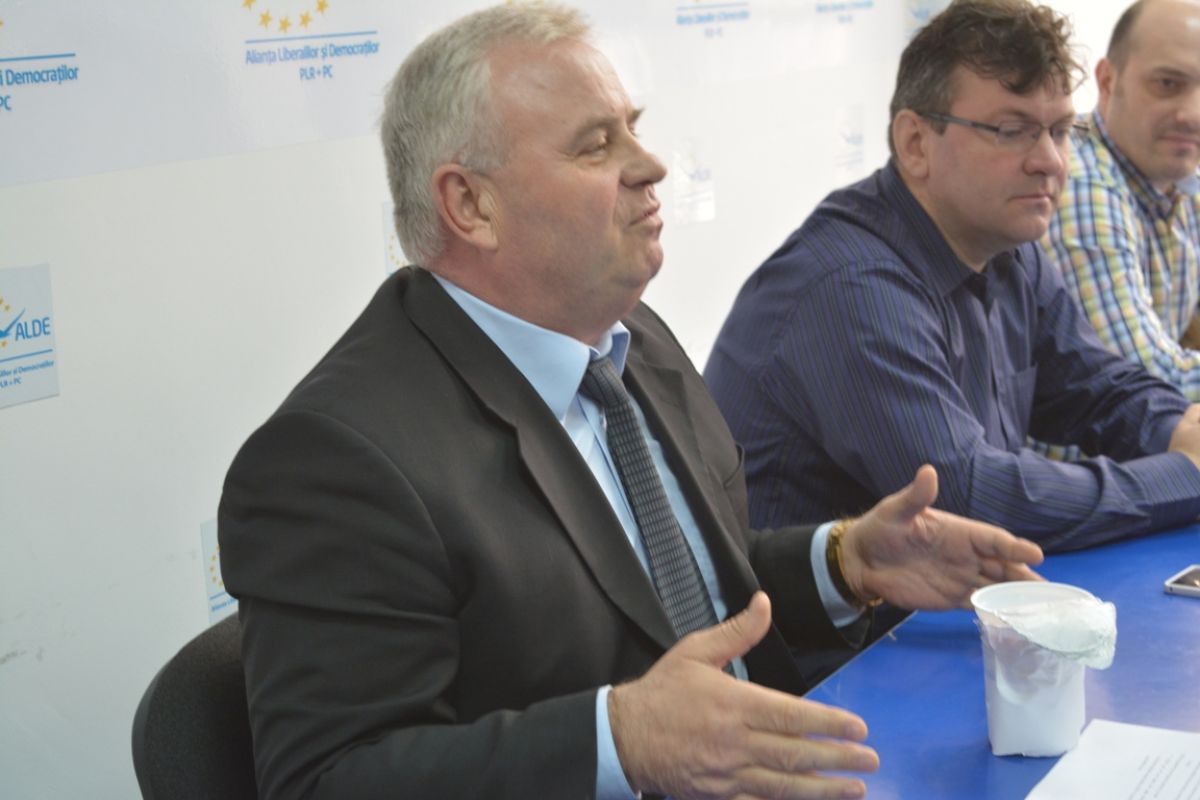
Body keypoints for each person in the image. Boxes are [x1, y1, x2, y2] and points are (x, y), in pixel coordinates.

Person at [218, 5, 1044, 799]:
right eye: (596, 145)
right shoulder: (336, 458)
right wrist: (619, 742)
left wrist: (845, 563)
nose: (650, 165)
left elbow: (685, 595)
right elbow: (329, 781)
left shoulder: (627, 336)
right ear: (470, 205)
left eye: (633, 129)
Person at [705, 0, 1200, 553]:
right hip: (809, 611)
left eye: (1062, 131)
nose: (1051, 161)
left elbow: (1098, 392)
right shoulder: (853, 285)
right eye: (1012, 130)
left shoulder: (1009, 248)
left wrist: (1181, 429)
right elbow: (968, 499)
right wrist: (1184, 476)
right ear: (916, 143)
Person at [1044, 0, 1200, 399]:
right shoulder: (1081, 185)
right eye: (1168, 84)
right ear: (1108, 81)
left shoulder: (1180, 184)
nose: (1193, 114)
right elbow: (1149, 383)